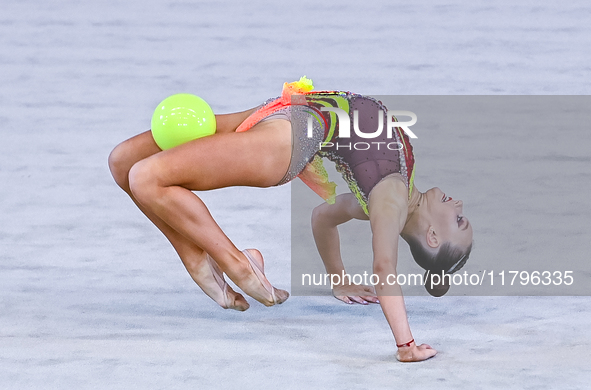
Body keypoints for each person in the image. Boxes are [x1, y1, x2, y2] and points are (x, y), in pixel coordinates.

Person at [108, 78, 473, 362]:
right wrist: (340, 280)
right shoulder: (386, 197)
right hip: (282, 111)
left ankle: (235, 263)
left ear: (431, 237)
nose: (458, 203)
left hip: (288, 138)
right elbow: (323, 217)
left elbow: (383, 267)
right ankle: (205, 260)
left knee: (146, 177)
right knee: (123, 162)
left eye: (459, 220)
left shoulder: (391, 199)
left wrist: (405, 344)